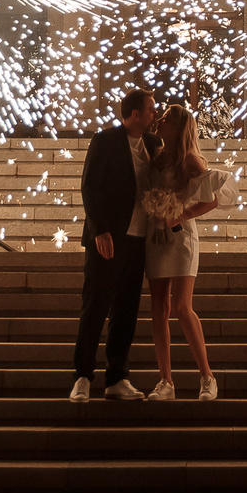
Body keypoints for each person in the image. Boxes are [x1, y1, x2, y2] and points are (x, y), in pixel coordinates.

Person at [136, 104, 236, 401]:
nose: (160, 122)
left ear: (178, 128)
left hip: (180, 239)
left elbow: (214, 200)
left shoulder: (190, 159)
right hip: (156, 238)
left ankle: (207, 376)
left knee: (181, 306)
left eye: (166, 119)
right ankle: (165, 381)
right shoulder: (157, 155)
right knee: (158, 309)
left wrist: (178, 215)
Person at [70, 87, 157, 403]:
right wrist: (100, 230)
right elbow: (89, 186)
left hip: (138, 241)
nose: (154, 114)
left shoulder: (153, 143)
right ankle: (82, 376)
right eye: (150, 109)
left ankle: (117, 377)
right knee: (95, 306)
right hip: (107, 239)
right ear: (135, 113)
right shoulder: (105, 140)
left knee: (126, 311)